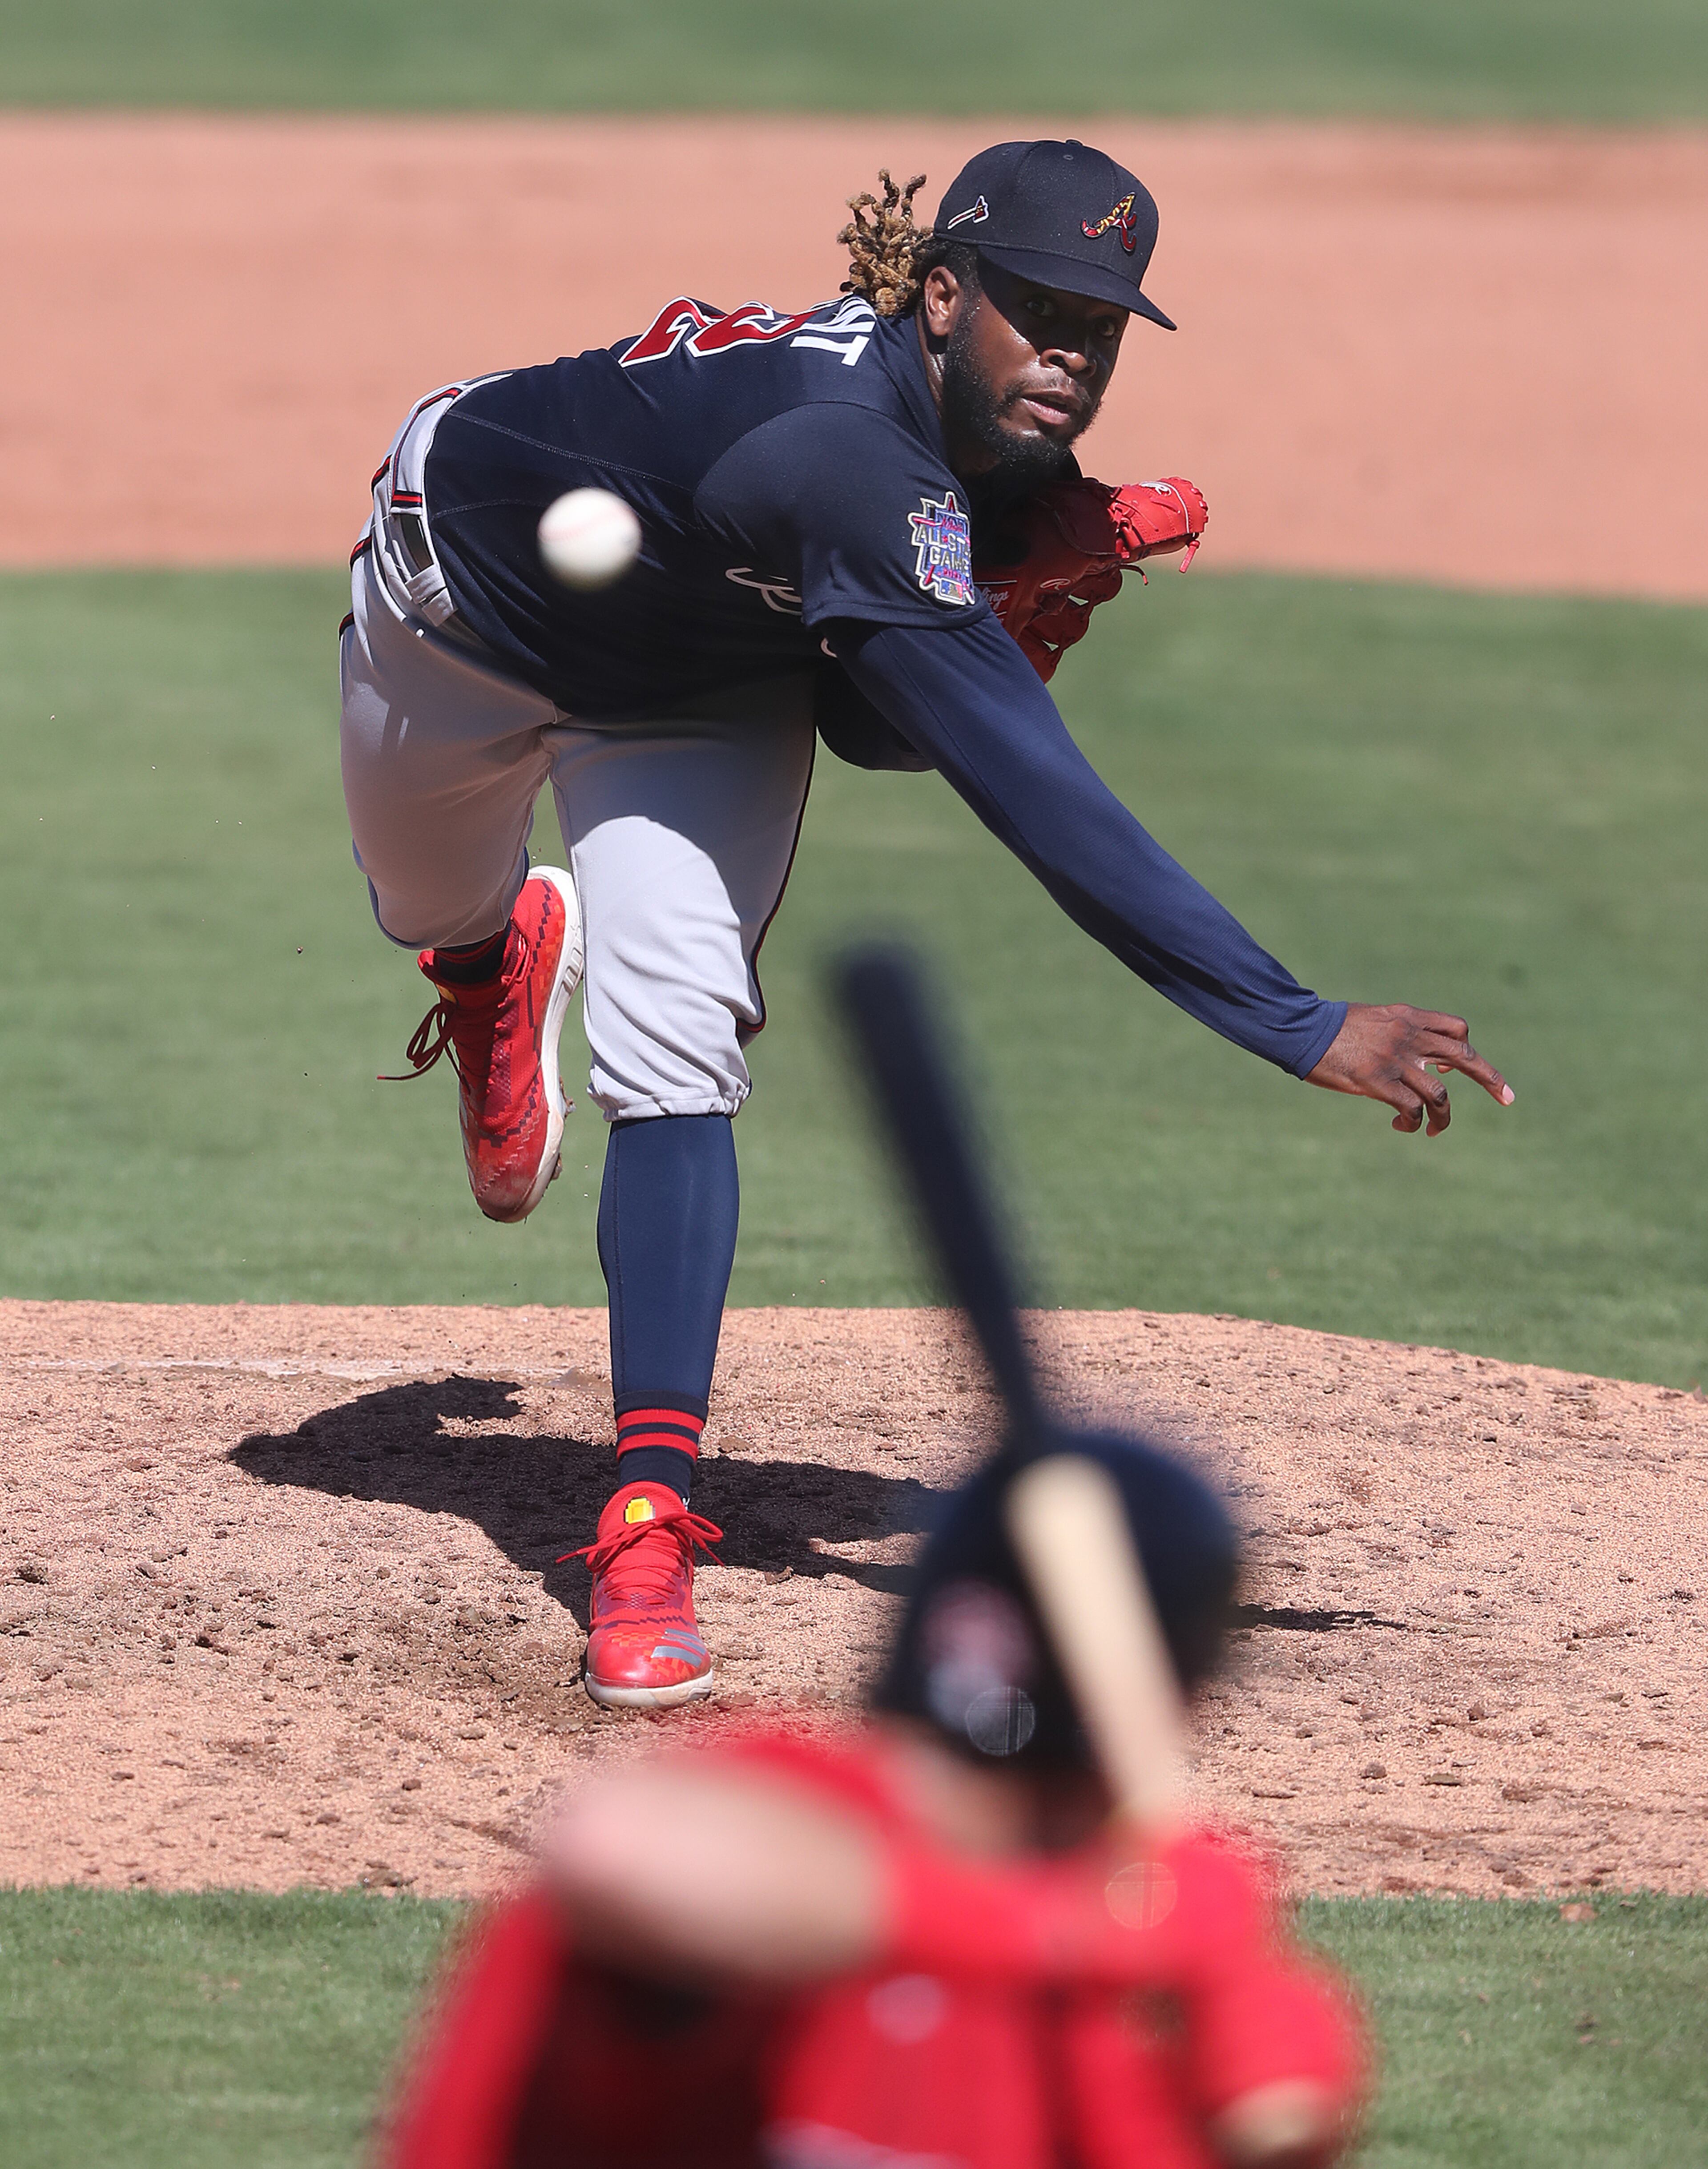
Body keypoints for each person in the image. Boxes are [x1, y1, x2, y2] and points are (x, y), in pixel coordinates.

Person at [338, 139, 1514, 1710]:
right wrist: (1287, 1014)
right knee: (421, 897)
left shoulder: (978, 446)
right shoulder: (850, 455)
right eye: (1042, 311)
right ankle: (488, 965)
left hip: (698, 693)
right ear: (944, 298)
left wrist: (1004, 610)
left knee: (674, 1038)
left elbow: (878, 722)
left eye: (1102, 327)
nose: (1076, 356)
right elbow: (1020, 785)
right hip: (454, 606)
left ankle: (644, 1518)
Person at [383, 1432, 1366, 2169]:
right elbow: (614, 1849)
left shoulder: (1152, 1970)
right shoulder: (788, 1798)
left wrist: (1254, 2095)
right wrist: (1069, 1928)